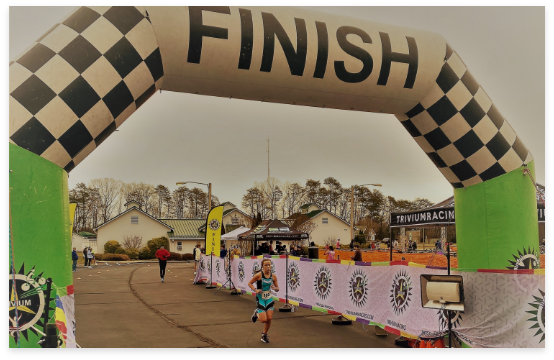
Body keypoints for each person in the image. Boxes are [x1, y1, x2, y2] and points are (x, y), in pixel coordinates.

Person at [249, 259, 280, 344]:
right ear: (262, 266)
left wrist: (275, 288)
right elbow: (250, 283)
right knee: (263, 320)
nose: (268, 267)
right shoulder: (259, 275)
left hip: (269, 298)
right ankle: (256, 313)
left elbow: (278, 288)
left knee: (269, 318)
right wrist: (255, 290)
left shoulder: (273, 276)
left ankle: (264, 335)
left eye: (269, 265)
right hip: (260, 298)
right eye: (266, 265)